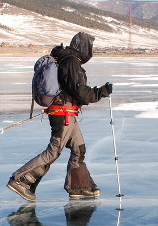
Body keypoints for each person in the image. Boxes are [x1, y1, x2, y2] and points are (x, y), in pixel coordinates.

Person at [7, 32, 113, 201]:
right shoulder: (71, 62)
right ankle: (20, 180)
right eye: (89, 47)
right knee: (54, 150)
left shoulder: (68, 60)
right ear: (83, 47)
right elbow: (79, 91)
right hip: (62, 112)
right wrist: (101, 92)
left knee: (79, 149)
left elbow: (75, 91)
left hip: (67, 112)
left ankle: (79, 187)